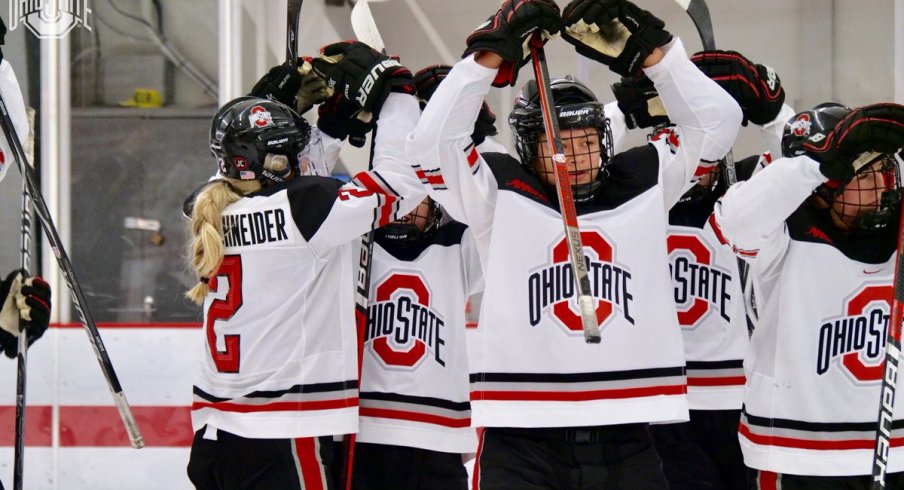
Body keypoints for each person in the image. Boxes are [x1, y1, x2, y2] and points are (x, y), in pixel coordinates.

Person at [408, 0, 744, 487]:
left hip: (627, 434)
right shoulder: (496, 193)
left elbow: (719, 122)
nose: (576, 155)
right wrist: (485, 56)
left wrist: (655, 53)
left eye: (587, 140)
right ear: (528, 147)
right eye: (557, 143)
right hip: (520, 440)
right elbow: (428, 148)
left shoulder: (646, 180)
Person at [185, 40, 426, 490]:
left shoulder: (207, 208)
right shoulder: (305, 208)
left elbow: (269, 181)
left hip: (216, 439)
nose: (303, 160)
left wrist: (319, 127)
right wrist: (396, 91)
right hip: (281, 437)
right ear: (276, 161)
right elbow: (403, 184)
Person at [611, 50, 793, 490]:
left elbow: (812, 163)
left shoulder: (751, 187)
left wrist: (767, 110)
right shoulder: (631, 193)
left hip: (743, 398)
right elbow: (580, 161)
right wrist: (623, 107)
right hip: (662, 401)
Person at [710, 101, 904, 488]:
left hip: (894, 448)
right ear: (820, 186)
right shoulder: (780, 231)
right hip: (798, 450)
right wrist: (816, 162)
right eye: (862, 175)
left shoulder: (897, 222)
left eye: (883, 171)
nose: (880, 186)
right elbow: (732, 223)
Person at [346, 66, 494, 490]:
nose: (407, 208)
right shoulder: (351, 238)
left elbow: (492, 200)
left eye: (420, 198)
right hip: (363, 432)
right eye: (401, 198)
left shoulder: (461, 245)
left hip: (439, 437)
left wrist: (472, 140)